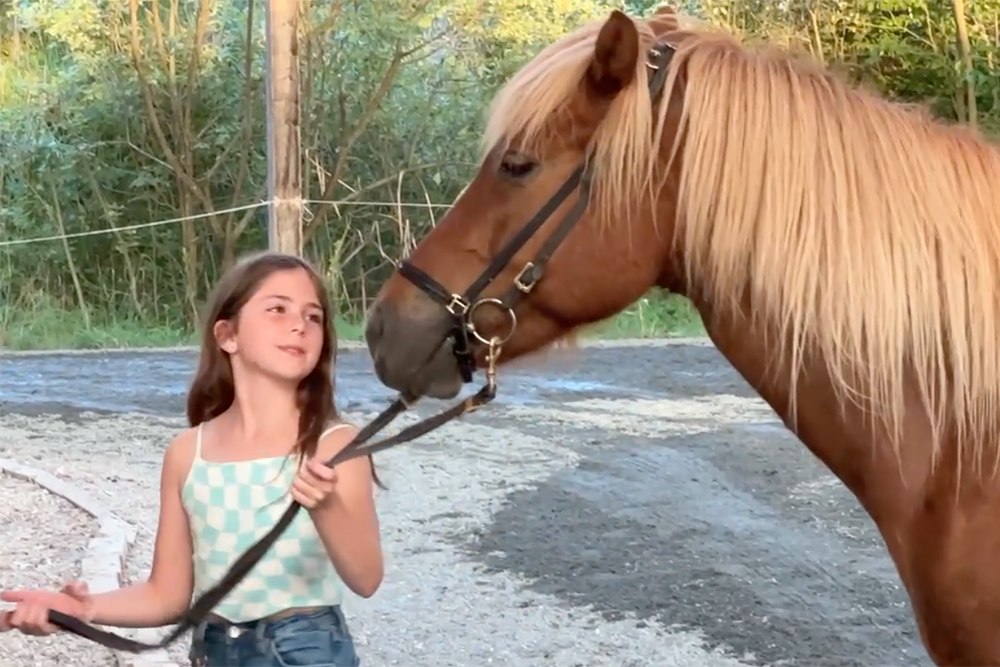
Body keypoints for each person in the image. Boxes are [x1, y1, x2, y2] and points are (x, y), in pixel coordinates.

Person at [0, 251, 385, 667]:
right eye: (277, 309)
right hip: (211, 652)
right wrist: (81, 609)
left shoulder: (334, 445)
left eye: (313, 317)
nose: (299, 325)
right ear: (227, 336)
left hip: (308, 650)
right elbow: (166, 595)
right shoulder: (187, 453)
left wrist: (326, 507)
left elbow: (366, 578)